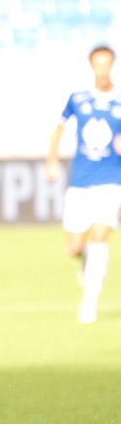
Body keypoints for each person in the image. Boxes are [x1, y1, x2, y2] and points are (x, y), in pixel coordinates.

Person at [46, 44, 121, 324]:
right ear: (91, 66)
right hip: (80, 180)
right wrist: (51, 161)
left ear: (112, 65)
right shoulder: (78, 98)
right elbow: (58, 128)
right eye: (97, 64)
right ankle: (84, 258)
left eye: (107, 63)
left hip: (112, 179)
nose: (102, 69)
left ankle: (89, 304)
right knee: (74, 247)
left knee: (101, 235)